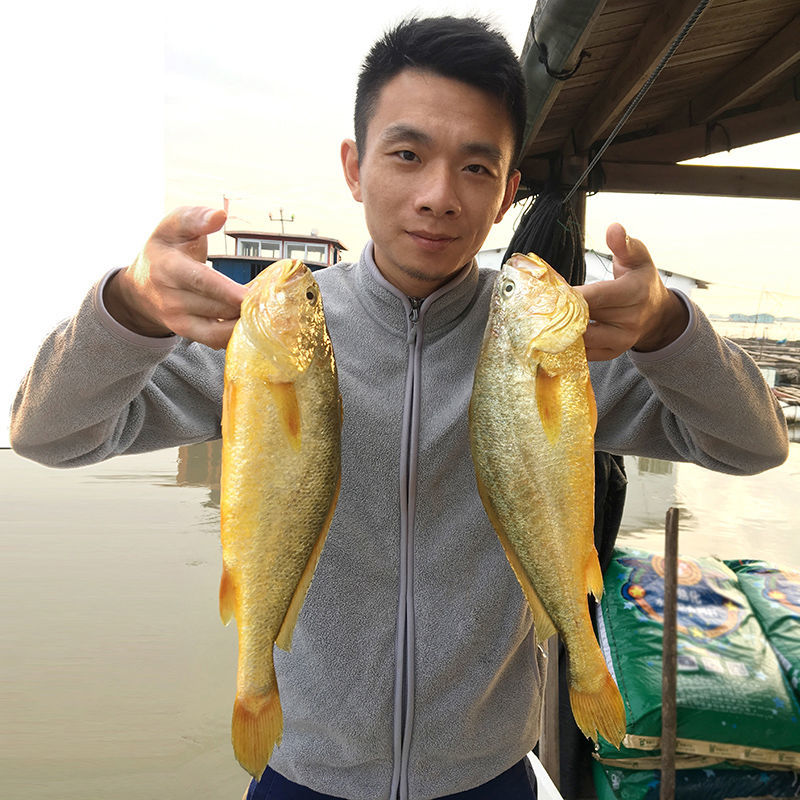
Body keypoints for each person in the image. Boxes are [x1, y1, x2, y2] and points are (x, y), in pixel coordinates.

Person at [9, 16, 788, 800]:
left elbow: (752, 446)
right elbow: (49, 435)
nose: (439, 196)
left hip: (488, 773)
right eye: (408, 155)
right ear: (355, 166)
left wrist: (669, 328)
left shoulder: (552, 348)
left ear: (510, 189)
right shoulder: (264, 342)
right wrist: (129, 309)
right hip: (302, 768)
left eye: (478, 168)